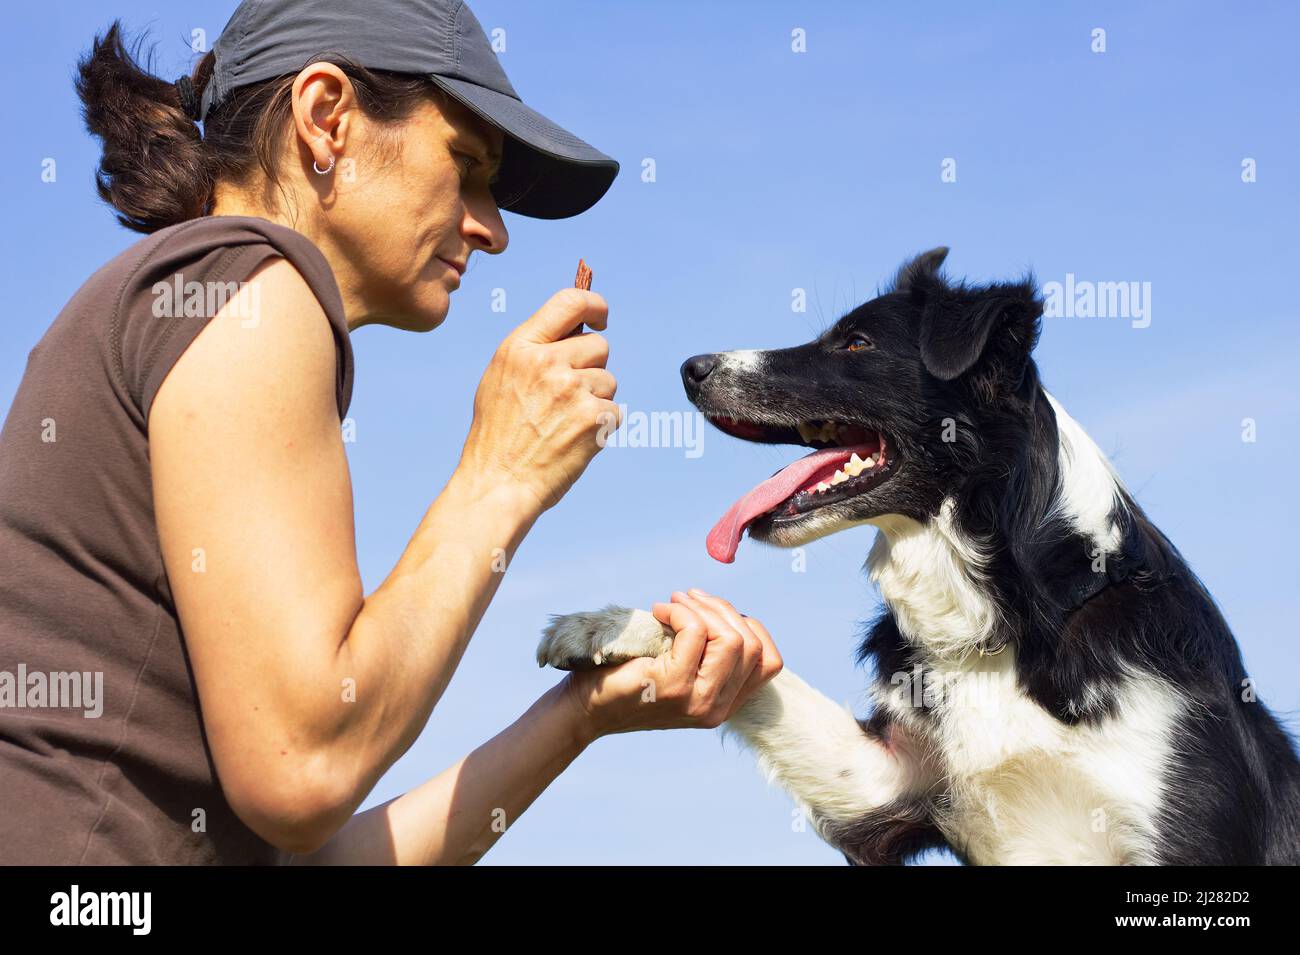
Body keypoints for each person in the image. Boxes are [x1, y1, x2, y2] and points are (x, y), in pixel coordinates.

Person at [0, 0, 781, 865]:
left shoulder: (182, 299)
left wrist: (582, 714)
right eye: (466, 165)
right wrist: (502, 473)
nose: (493, 229)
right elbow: (305, 766)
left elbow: (317, 851)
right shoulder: (254, 285)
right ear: (326, 116)